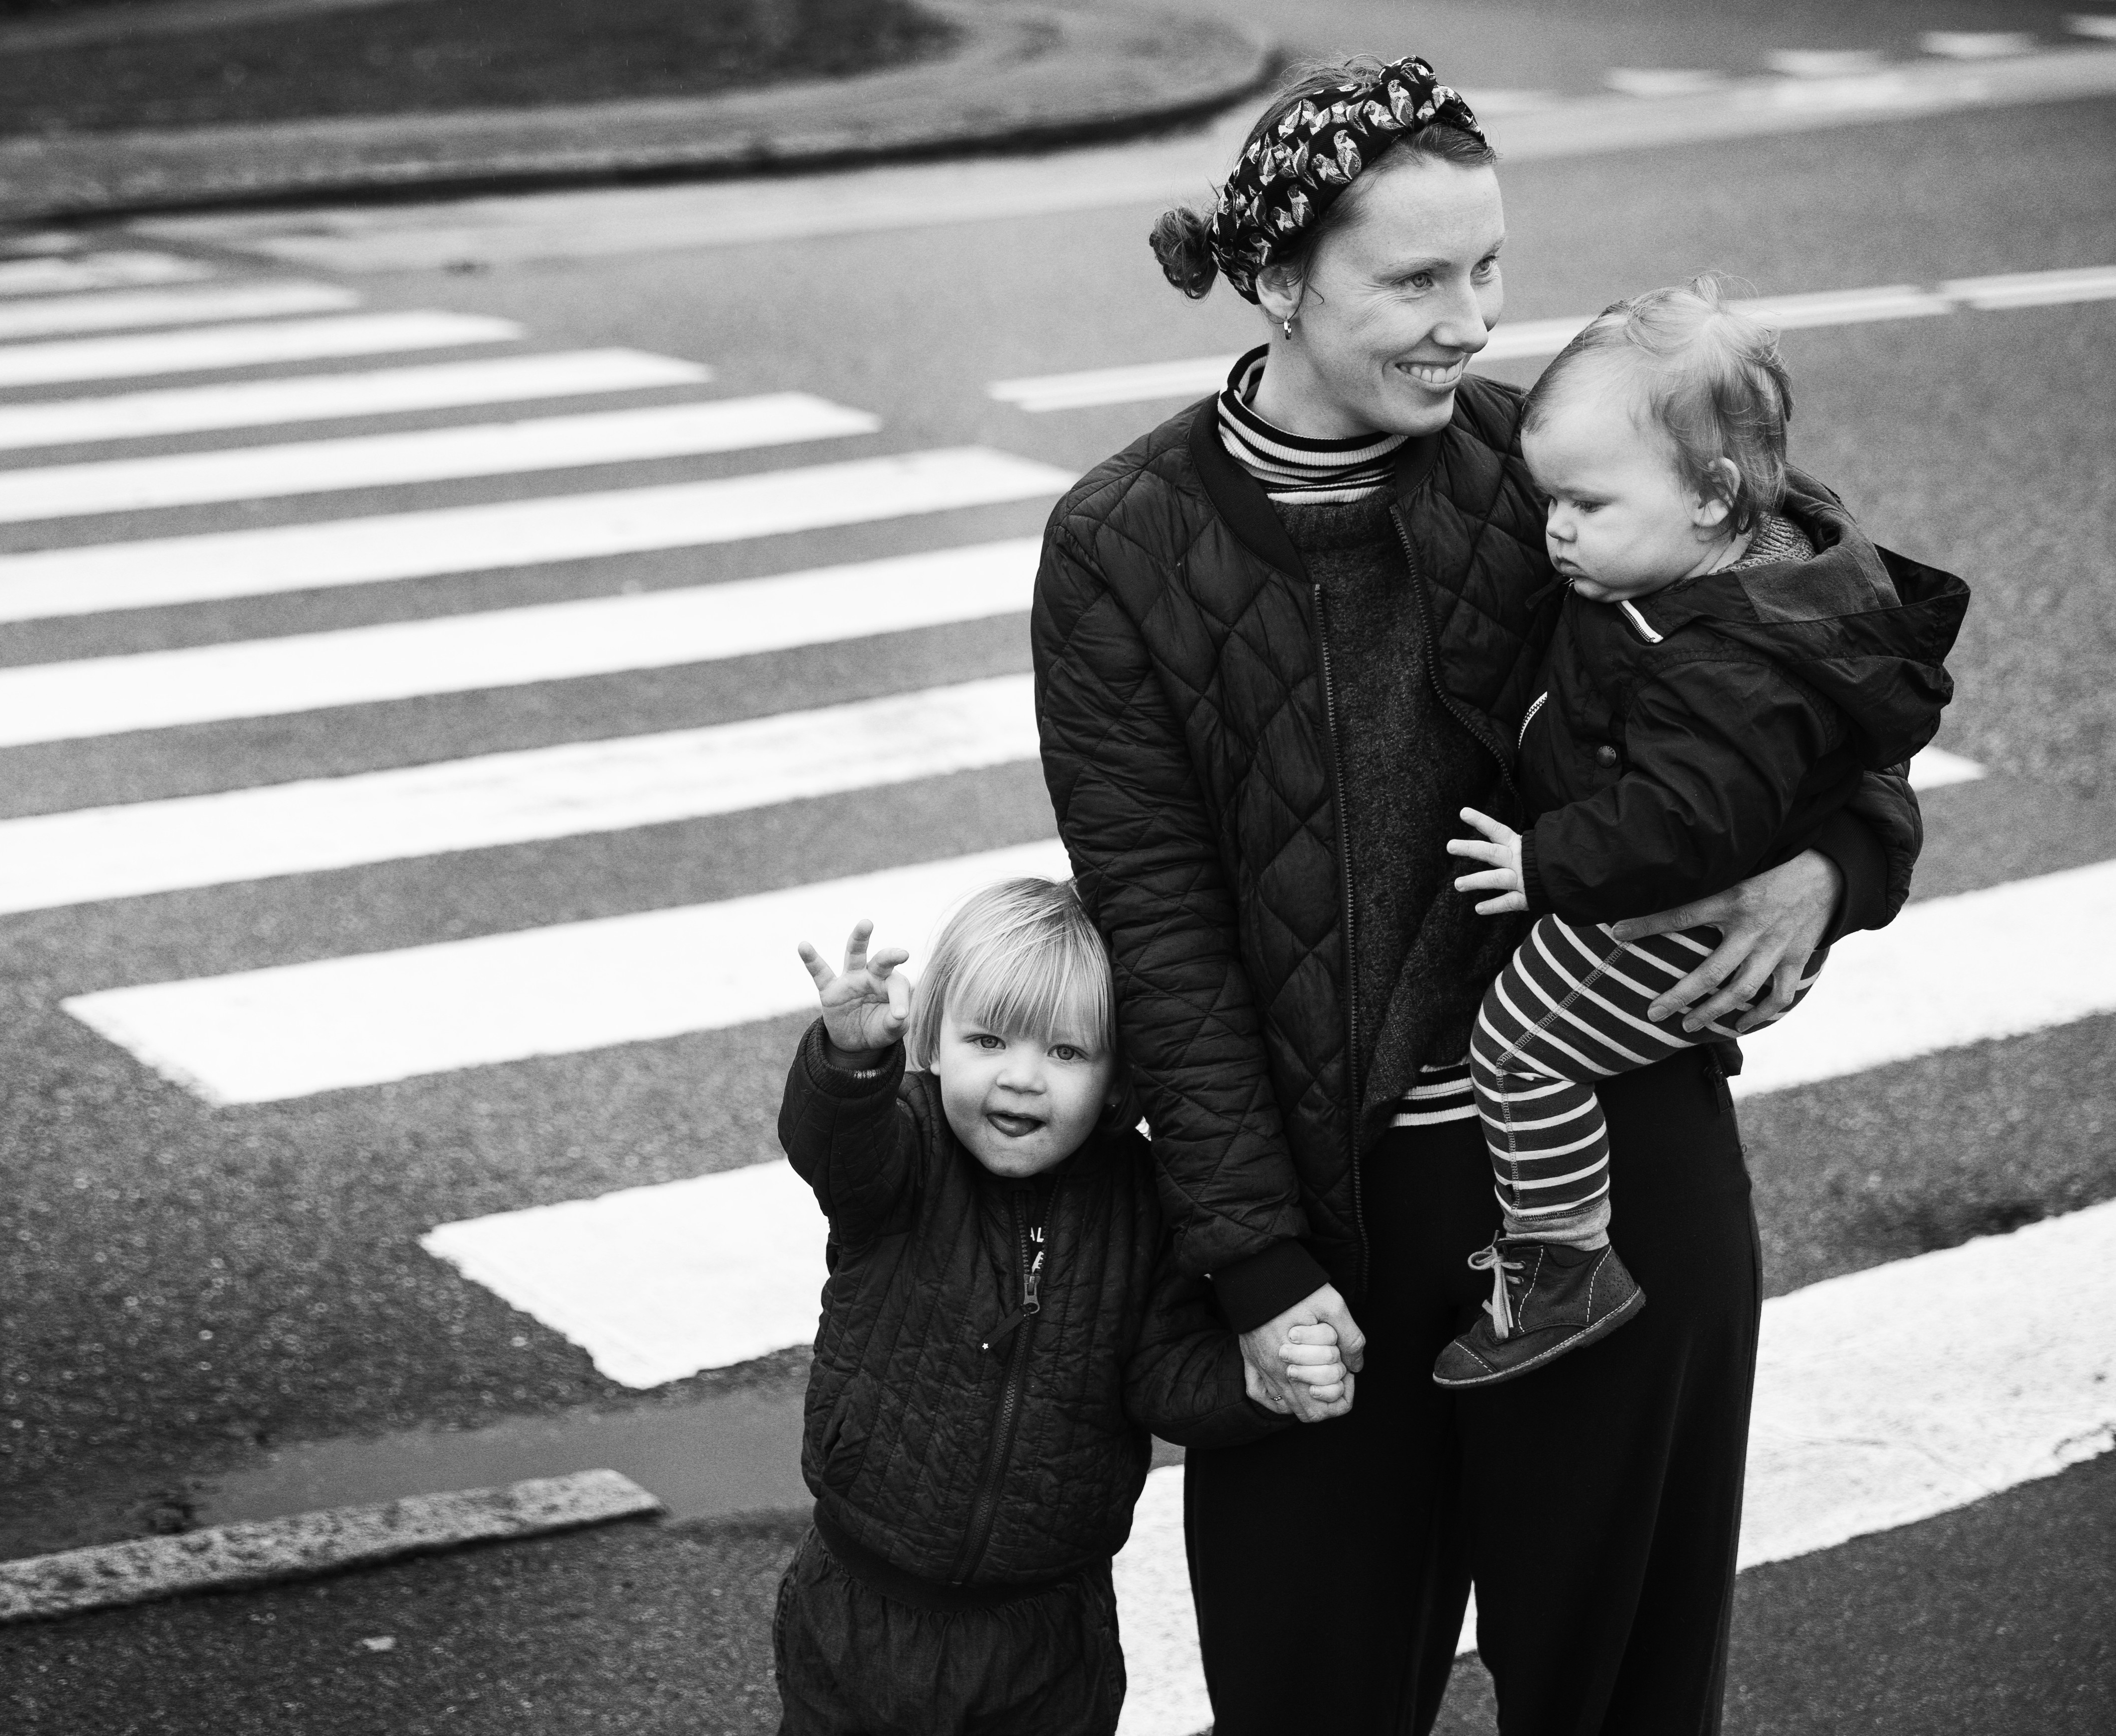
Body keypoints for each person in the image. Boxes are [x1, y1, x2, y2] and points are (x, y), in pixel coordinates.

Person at [1032, 53, 1926, 1734]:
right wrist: (1251, 1262)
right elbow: (1157, 926)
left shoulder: (1552, 462)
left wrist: (1834, 863)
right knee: (1306, 1695)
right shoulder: (1119, 544)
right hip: (1327, 1229)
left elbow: (1822, 664)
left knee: (1618, 1697)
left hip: (1616, 1185)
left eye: (1487, 267)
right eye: (1414, 280)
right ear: (1277, 277)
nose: (1470, 321)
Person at [1432, 279, 1968, 1387]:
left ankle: (1565, 1263)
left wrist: (1544, 863)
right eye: (1548, 499)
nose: (1555, 528)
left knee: (1519, 1051)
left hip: (1671, 911)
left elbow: (1686, 822)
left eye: (1587, 504)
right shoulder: (1703, 567)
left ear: (1714, 497)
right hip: (1678, 892)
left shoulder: (1719, 662)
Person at [771, 879, 1294, 1736]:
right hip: (863, 1607)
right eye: (987, 1039)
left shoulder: (1141, 1200)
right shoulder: (904, 1145)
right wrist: (852, 1062)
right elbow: (832, 1147)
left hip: (1047, 1628)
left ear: (1118, 1074)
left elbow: (1162, 1371)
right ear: (934, 1036)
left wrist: (1253, 1383)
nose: (1020, 1077)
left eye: (1066, 1052)